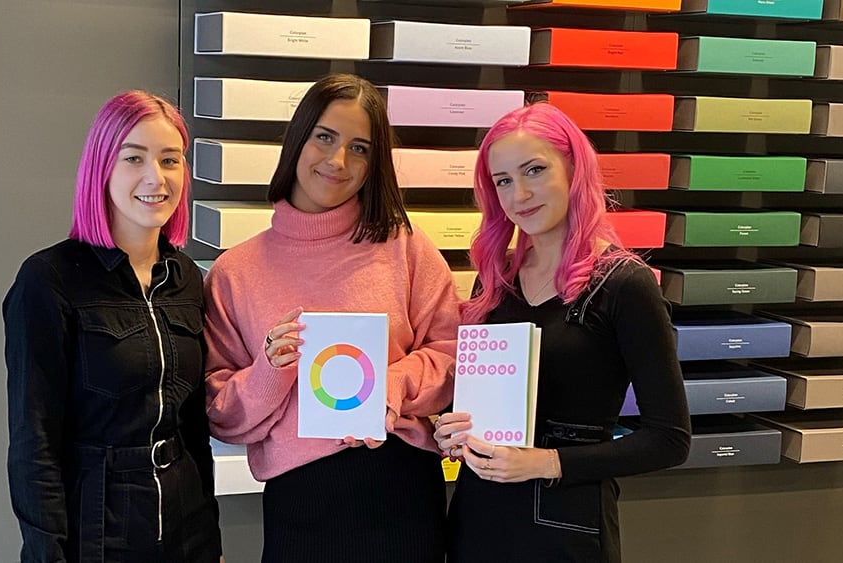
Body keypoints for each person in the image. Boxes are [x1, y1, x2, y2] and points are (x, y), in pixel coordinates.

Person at [203, 73, 460, 563]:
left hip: (401, 488)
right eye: (325, 137)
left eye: (359, 148)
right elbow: (220, 412)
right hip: (301, 500)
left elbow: (450, 359)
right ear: (298, 137)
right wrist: (268, 372)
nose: (338, 161)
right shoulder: (234, 272)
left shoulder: (406, 249)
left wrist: (393, 384)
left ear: (374, 164)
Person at [433, 102, 691, 563]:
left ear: (574, 169)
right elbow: (481, 406)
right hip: (479, 519)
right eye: (504, 181)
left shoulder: (624, 285)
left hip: (566, 527)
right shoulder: (494, 281)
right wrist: (452, 429)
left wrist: (549, 463)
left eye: (534, 170)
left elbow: (669, 439)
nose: (520, 195)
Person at [3, 91, 222, 563]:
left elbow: (192, 426)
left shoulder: (186, 278)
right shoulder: (49, 281)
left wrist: (212, 542)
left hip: (187, 530)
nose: (155, 178)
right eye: (134, 158)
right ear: (102, 168)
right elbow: (33, 441)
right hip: (98, 534)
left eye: (170, 160)